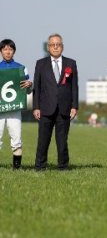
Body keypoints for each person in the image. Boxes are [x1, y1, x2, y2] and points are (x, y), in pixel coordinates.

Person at [33, 34, 78, 171]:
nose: (55, 47)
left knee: (62, 141)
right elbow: (37, 87)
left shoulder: (71, 63)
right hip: (46, 108)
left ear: (62, 47)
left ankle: (63, 166)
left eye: (58, 44)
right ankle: (40, 166)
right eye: (53, 44)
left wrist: (74, 106)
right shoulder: (40, 64)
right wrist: (36, 107)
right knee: (43, 140)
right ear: (48, 47)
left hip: (64, 108)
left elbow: (74, 87)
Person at [0, 39, 32, 169]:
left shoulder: (21, 68)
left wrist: (30, 84)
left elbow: (27, 90)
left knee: (16, 137)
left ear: (14, 51)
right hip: (0, 108)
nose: (8, 52)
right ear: (1, 51)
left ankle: (17, 168)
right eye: (5, 49)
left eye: (10, 49)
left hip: (15, 108)